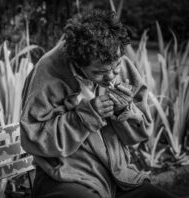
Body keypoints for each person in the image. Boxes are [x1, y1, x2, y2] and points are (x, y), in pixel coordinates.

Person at [20, 9, 177, 198]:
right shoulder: (47, 72)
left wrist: (124, 111)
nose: (111, 77)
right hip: (65, 178)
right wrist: (85, 116)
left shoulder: (113, 55)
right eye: (99, 72)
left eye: (116, 65)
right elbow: (33, 137)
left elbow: (141, 132)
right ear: (78, 63)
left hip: (118, 176)